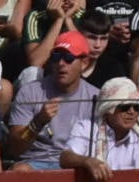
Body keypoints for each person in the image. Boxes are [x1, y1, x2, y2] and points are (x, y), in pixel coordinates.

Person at [6, 25, 98, 163]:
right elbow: (14, 148)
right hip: (36, 162)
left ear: (84, 63)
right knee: (20, 170)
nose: (61, 63)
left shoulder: (96, 97)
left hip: (77, 164)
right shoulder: (30, 92)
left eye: (68, 58)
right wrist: (37, 123)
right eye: (56, 57)